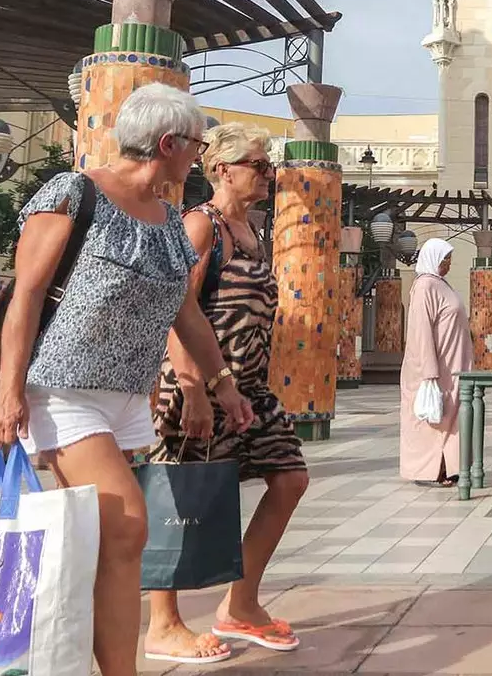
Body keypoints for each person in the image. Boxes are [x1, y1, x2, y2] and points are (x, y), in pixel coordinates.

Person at [0, 84, 256, 676]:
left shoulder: (165, 220)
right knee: (130, 524)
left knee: (104, 541)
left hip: (126, 397)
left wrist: (222, 385)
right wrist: (9, 392)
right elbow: (25, 296)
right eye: (196, 144)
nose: (200, 156)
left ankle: (66, 657)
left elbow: (187, 317)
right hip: (61, 387)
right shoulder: (73, 194)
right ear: (168, 143)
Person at [145, 123, 308, 663]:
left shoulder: (254, 232)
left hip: (248, 390)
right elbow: (173, 310)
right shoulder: (201, 226)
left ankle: (240, 605)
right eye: (258, 166)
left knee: (289, 479)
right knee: (176, 497)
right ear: (222, 170)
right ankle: (162, 623)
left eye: (269, 166)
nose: (269, 175)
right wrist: (194, 388)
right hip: (199, 386)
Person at [400, 238, 473, 486]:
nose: (449, 264)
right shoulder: (424, 287)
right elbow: (420, 331)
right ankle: (433, 469)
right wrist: (429, 372)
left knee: (454, 417)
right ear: (433, 260)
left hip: (453, 367)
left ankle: (453, 466)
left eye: (450, 259)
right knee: (435, 419)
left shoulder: (442, 285)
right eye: (445, 260)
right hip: (435, 369)